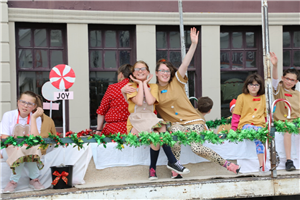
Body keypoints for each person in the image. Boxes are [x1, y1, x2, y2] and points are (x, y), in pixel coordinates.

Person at [154, 27, 240, 178]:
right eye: (162, 71)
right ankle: (176, 169)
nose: (165, 73)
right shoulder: (153, 89)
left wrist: (193, 44)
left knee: (196, 147)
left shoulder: (176, 81)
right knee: (174, 137)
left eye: (167, 71)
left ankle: (227, 164)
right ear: (156, 73)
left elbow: (185, 64)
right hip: (175, 124)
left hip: (193, 120)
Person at [126, 60, 190, 180]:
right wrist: (140, 83)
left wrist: (144, 83)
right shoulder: (130, 87)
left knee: (159, 131)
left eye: (143, 68)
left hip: (150, 118)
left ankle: (153, 169)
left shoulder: (154, 86)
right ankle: (172, 162)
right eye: (137, 69)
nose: (140, 71)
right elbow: (139, 102)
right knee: (158, 132)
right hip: (137, 120)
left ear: (149, 72)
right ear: (133, 74)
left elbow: (150, 102)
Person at [0, 91, 46, 193]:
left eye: (29, 104)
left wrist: (33, 118)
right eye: (23, 102)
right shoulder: (8, 115)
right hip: (9, 148)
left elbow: (35, 139)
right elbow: (4, 137)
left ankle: (33, 179)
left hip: (28, 149)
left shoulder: (36, 118)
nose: (25, 106)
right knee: (19, 150)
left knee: (32, 148)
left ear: (34, 107)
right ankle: (13, 181)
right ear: (18, 102)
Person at [231, 73, 267, 173]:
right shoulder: (241, 97)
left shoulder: (264, 97)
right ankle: (262, 165)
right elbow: (236, 115)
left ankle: (261, 166)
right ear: (247, 85)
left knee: (259, 140)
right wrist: (233, 130)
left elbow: (265, 115)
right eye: (251, 84)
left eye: (256, 85)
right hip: (245, 126)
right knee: (258, 134)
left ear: (260, 86)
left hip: (260, 125)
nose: (253, 87)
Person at [270, 52, 300, 171]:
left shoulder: (298, 94)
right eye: (287, 78)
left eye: (292, 80)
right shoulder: (279, 91)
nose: (289, 81)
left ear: (296, 82)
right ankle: (289, 161)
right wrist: (275, 66)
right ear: (283, 78)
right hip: (284, 121)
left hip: (297, 121)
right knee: (288, 131)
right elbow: (274, 80)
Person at [96, 64, 135, 136]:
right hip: (134, 129)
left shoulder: (113, 88)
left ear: (121, 75)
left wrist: (99, 129)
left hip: (114, 130)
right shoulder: (137, 87)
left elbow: (102, 111)